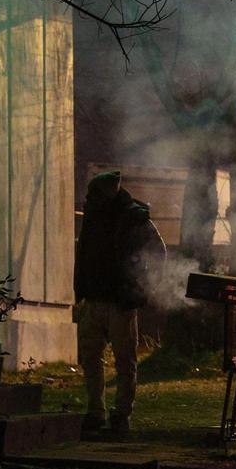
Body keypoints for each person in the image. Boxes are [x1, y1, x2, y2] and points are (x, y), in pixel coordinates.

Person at [74, 171, 165, 437]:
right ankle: (100, 412)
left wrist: (144, 284)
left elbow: (158, 251)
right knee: (94, 358)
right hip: (98, 298)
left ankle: (117, 414)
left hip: (118, 301)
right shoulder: (100, 214)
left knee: (123, 361)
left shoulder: (131, 217)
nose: (89, 199)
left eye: (94, 194)